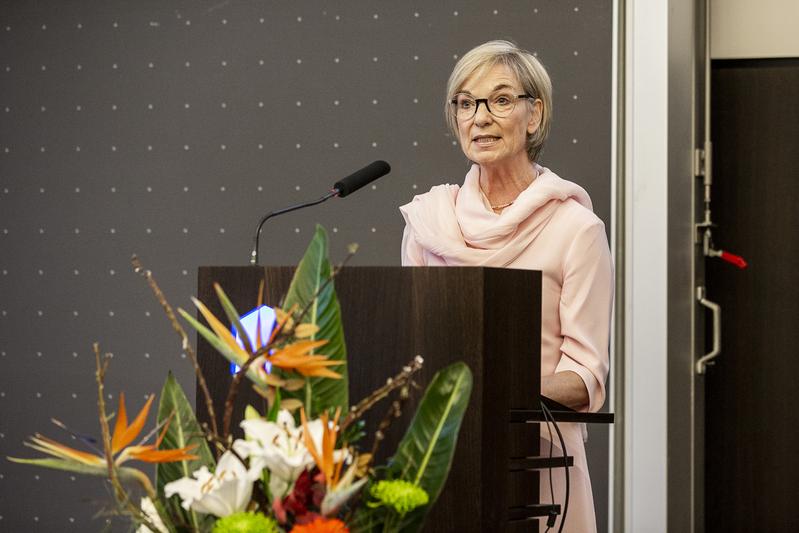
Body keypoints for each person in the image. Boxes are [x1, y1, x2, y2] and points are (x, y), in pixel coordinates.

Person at [399, 40, 613, 533]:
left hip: (534, 466)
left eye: (499, 101)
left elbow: (584, 378)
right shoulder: (428, 223)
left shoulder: (576, 229)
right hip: (440, 454)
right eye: (466, 103)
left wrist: (491, 393)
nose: (480, 117)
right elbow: (410, 350)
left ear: (534, 114)